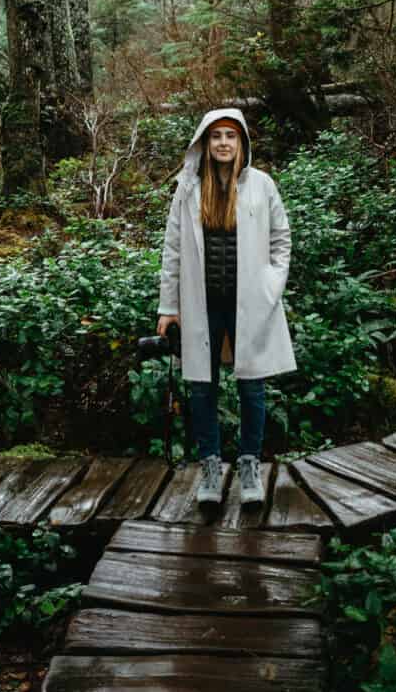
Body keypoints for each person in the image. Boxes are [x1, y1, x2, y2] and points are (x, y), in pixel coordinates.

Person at [157, 107, 296, 508]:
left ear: (241, 142)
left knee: (252, 386)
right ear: (204, 141)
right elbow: (172, 250)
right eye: (215, 135)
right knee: (202, 388)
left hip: (250, 305)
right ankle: (211, 468)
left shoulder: (262, 185)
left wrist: (271, 286)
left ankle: (250, 465)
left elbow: (280, 239)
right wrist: (169, 306)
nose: (222, 143)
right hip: (203, 305)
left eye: (230, 136)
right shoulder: (187, 188)